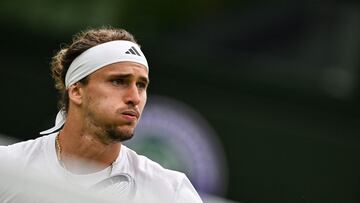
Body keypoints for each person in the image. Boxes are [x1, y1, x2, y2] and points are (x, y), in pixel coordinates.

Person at [0, 27, 203, 203]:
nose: (135, 97)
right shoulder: (7, 168)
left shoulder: (169, 192)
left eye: (141, 85)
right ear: (77, 91)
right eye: (119, 81)